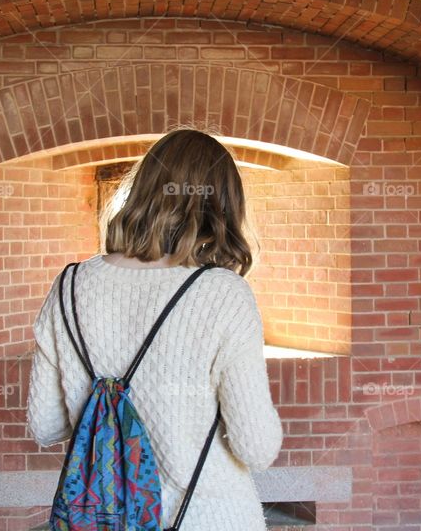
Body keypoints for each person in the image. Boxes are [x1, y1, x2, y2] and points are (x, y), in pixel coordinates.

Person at [26, 128, 283, 531]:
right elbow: (256, 448)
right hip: (210, 518)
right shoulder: (223, 293)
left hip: (103, 519)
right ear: (224, 206)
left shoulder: (70, 285)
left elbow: (46, 426)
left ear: (142, 190)